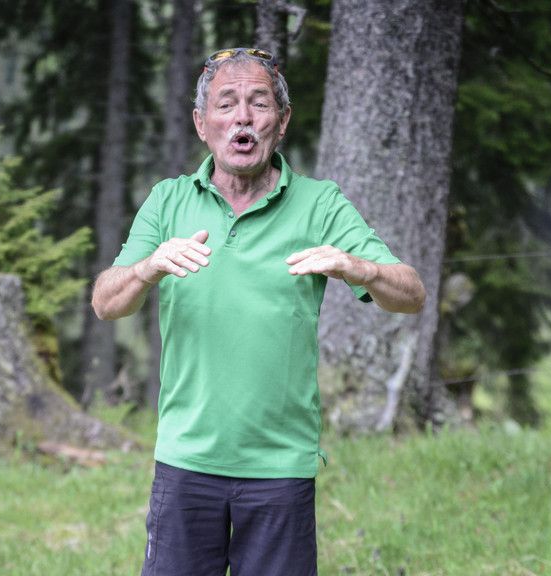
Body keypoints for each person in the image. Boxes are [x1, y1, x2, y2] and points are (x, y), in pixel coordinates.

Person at [91, 48, 427, 575]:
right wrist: (148, 268)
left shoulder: (319, 204)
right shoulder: (168, 201)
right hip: (186, 461)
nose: (243, 118)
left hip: (280, 468)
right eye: (226, 104)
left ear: (282, 121)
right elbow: (106, 302)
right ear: (202, 124)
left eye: (259, 103)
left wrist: (357, 267)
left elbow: (411, 293)